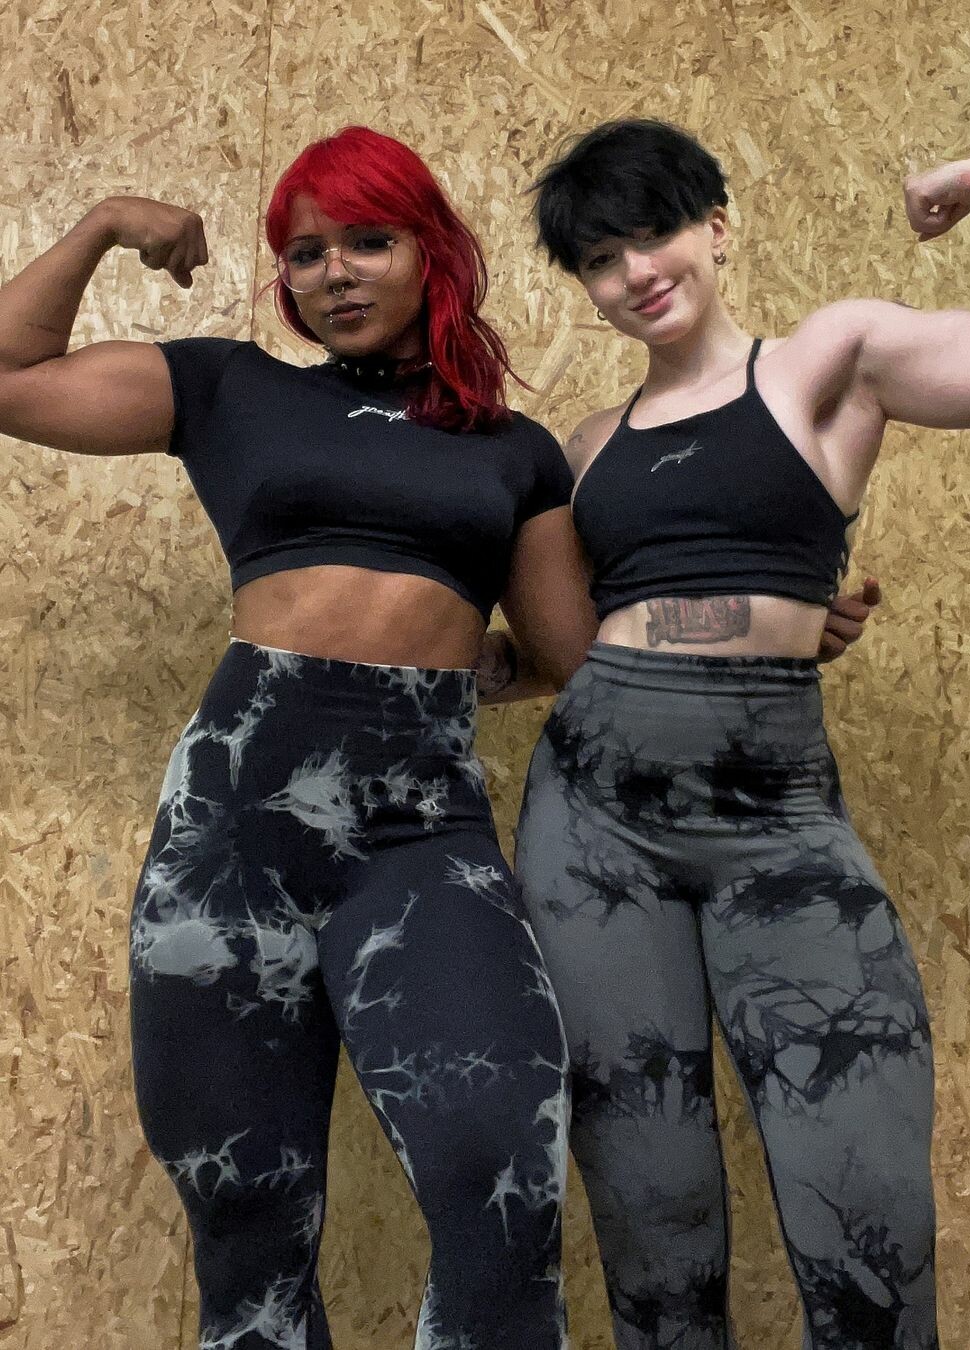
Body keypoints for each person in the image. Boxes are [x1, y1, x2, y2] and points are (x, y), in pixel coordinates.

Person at [0, 124, 604, 1350]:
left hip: (419, 830)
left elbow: (568, 658)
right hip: (233, 824)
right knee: (247, 1218)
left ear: (431, 251)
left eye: (367, 241)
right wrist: (107, 221)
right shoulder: (231, 388)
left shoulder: (514, 452)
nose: (335, 273)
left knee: (500, 1170)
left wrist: (757, 625)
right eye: (305, 253)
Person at [514, 118, 970, 1350]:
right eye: (600, 259)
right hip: (591, 822)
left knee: (867, 1213)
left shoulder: (829, 361)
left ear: (716, 227)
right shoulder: (589, 447)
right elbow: (568, 647)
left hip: (777, 813)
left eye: (654, 233)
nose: (635, 272)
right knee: (652, 1218)